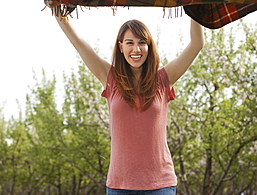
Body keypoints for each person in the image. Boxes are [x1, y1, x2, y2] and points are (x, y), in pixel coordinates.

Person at [55, 12, 204, 195]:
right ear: (121, 46)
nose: (136, 49)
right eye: (130, 43)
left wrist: (195, 6)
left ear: (149, 47)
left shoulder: (164, 79)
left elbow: (197, 45)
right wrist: (58, 12)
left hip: (160, 185)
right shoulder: (110, 78)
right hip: (119, 185)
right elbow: (78, 42)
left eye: (142, 42)